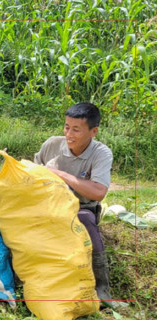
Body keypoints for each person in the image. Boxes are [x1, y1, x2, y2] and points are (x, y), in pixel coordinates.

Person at [34, 102, 118, 308]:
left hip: (81, 207)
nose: (68, 134)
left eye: (76, 129)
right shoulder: (52, 145)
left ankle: (102, 288)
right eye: (66, 127)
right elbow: (33, 174)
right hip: (49, 202)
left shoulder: (101, 153)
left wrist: (61, 175)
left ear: (93, 131)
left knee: (85, 220)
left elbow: (98, 192)